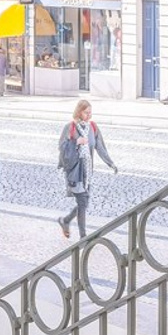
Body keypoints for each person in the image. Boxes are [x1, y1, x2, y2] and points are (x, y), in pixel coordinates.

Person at [56, 98, 119, 239]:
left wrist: (110, 163)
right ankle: (83, 237)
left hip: (87, 172)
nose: (89, 115)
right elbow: (61, 147)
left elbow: (100, 147)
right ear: (79, 112)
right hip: (74, 171)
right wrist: (76, 142)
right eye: (86, 112)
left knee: (83, 203)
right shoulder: (70, 127)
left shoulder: (93, 128)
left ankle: (65, 220)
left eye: (90, 112)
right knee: (83, 202)